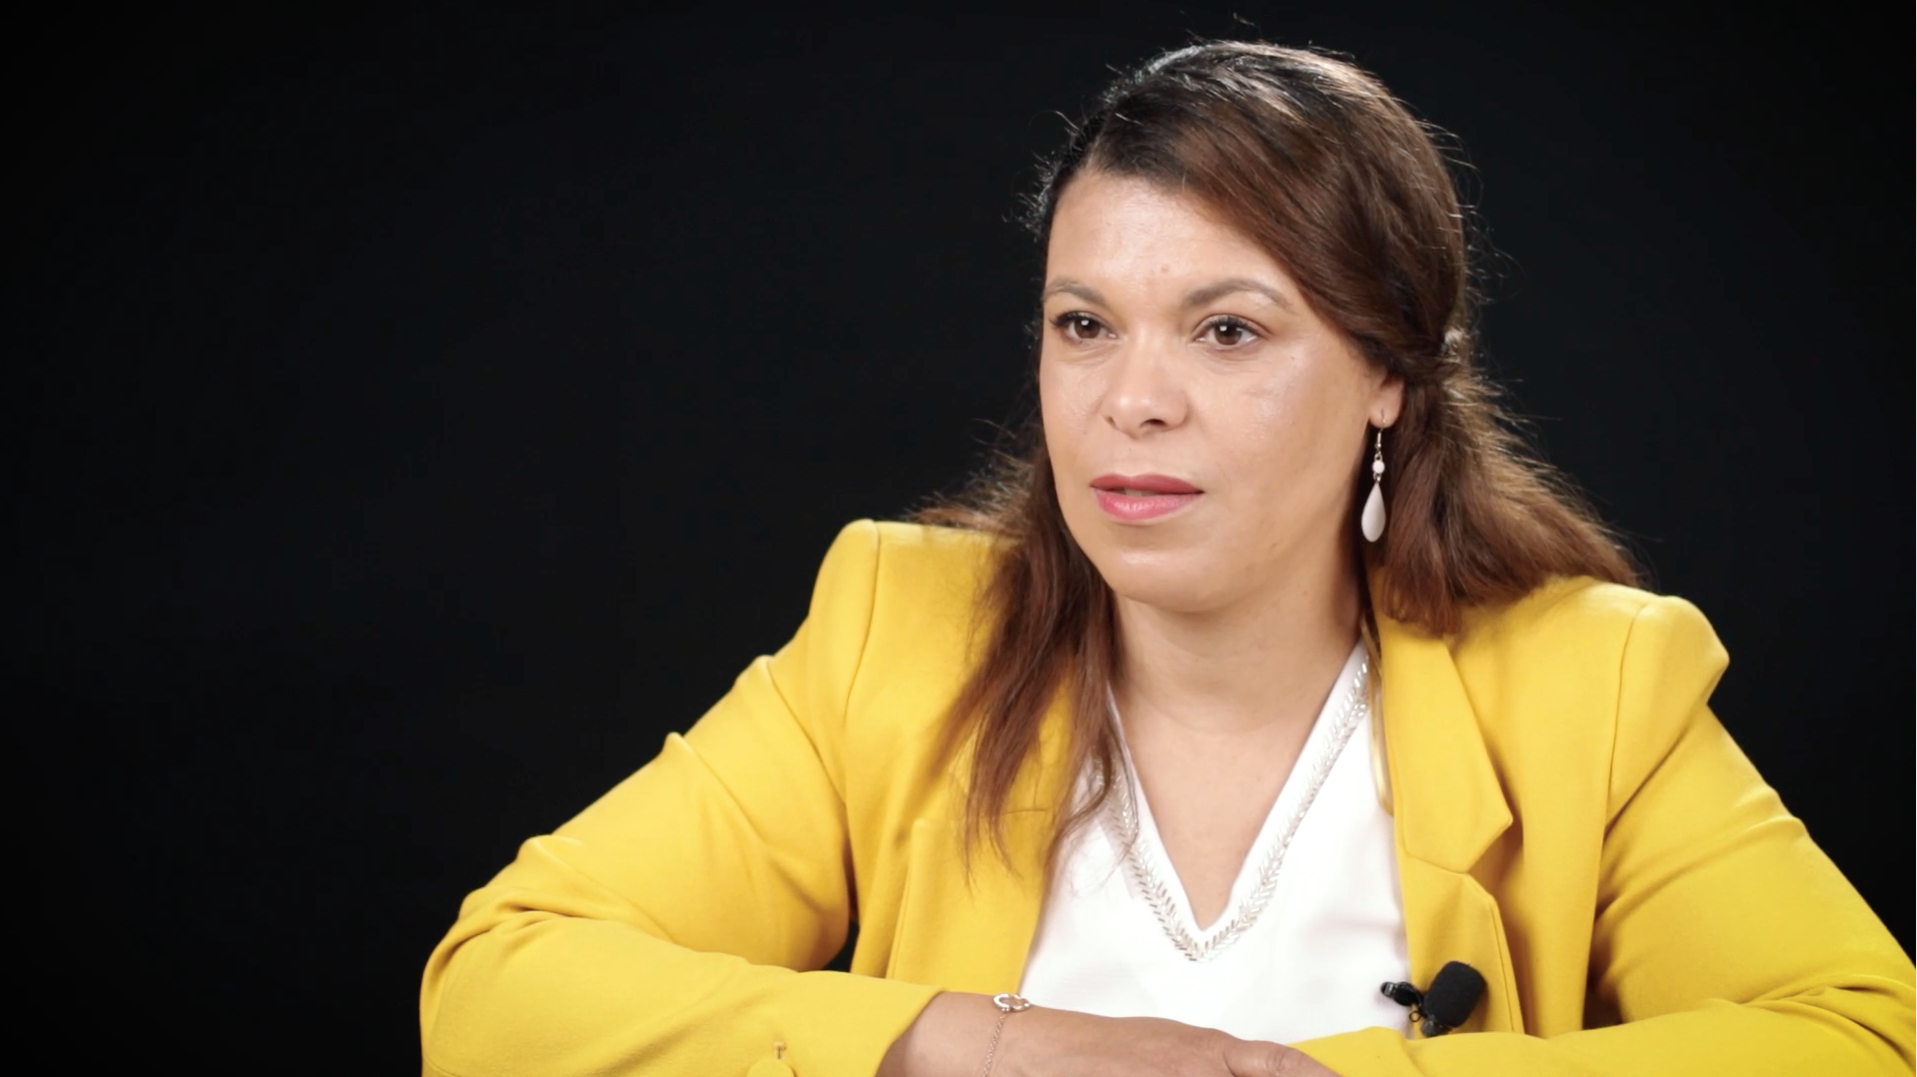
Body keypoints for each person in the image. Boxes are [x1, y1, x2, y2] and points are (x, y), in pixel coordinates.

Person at [418, 41, 1914, 1077]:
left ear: (1389, 376)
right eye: (1085, 324)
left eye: (1228, 330)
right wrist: (985, 1047)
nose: (1131, 399)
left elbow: (1861, 1037)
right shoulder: (896, 627)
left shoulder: (1595, 682)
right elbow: (497, 987)